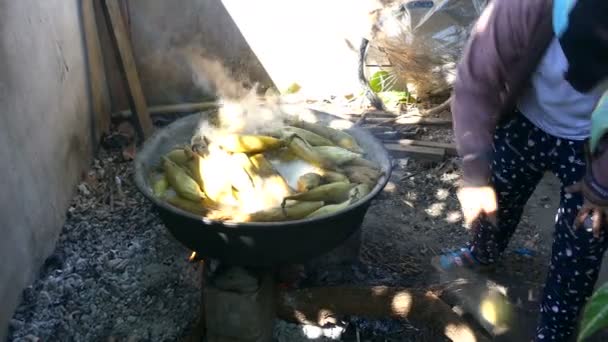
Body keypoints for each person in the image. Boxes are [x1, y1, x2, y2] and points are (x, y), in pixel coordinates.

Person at [434, 0, 608, 340]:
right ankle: (482, 253)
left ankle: (556, 327)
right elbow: (476, 83)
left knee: (585, 239)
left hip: (595, 145)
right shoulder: (522, 6)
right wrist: (473, 173)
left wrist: (602, 187)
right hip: (527, 118)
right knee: (497, 194)